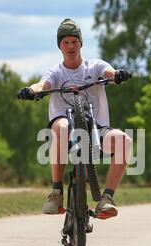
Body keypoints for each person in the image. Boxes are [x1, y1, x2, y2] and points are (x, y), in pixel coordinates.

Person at [18, 18, 132, 220]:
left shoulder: (94, 66)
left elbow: (109, 72)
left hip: (96, 129)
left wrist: (117, 75)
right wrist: (32, 91)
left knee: (125, 140)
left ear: (81, 43)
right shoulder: (56, 72)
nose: (70, 46)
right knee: (61, 127)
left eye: (74, 41)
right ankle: (56, 192)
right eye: (65, 43)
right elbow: (42, 84)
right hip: (64, 129)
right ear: (60, 46)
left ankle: (107, 199)